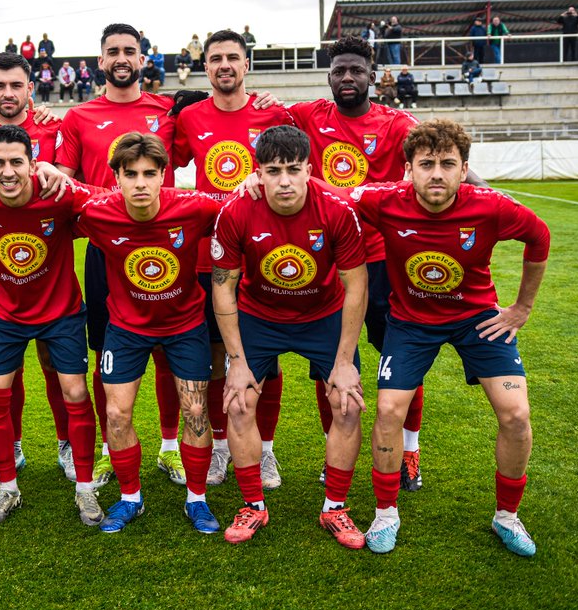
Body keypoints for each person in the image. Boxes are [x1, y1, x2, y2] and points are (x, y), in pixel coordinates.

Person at [351, 118, 550, 557]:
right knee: (387, 410)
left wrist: (521, 308)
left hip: (477, 319)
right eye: (426, 164)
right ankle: (385, 514)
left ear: (464, 169)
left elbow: (539, 237)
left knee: (516, 414)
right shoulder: (385, 200)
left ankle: (507, 517)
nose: (436, 173)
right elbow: (327, 194)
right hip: (411, 321)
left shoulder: (491, 205)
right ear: (409, 169)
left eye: (447, 164)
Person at [287, 34, 476, 491]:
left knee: (402, 361)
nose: (347, 78)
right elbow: (252, 120)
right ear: (329, 77)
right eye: (339, 71)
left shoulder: (396, 123)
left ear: (374, 76)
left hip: (383, 262)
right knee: (330, 364)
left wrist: (485, 192)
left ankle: (409, 452)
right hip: (329, 264)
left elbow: (442, 158)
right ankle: (334, 445)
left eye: (356, 71)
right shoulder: (309, 116)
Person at [212, 125, 367, 545]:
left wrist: (344, 360)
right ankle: (252, 506)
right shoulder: (237, 210)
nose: (284, 181)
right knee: (239, 401)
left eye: (293, 170)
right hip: (260, 317)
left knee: (347, 403)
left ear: (309, 170)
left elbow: (357, 285)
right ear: (257, 172)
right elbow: (223, 285)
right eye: (273, 170)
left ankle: (335, 508)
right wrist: (237, 362)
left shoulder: (335, 208)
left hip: (323, 314)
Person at [0, 124, 104, 527]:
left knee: (74, 391)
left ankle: (86, 489)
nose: (8, 172)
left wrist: (65, 179)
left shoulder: (57, 193)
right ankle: (8, 487)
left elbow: (109, 199)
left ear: (33, 165)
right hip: (5, 314)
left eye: (17, 162)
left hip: (62, 313)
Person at [55, 23, 183, 489]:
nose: (122, 57)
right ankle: (111, 449)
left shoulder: (167, 111)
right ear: (101, 59)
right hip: (105, 250)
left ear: (143, 58)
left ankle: (171, 448)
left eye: (130, 50)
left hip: (166, 246)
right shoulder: (78, 116)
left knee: (171, 350)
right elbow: (63, 182)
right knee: (105, 350)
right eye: (114, 51)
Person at [75, 132, 223, 534]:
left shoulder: (195, 208)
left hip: (185, 325)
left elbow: (241, 209)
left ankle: (197, 499)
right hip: (125, 327)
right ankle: (130, 498)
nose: (140, 183)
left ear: (164, 176)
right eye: (130, 174)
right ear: (117, 178)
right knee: (116, 414)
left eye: (149, 174)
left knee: (196, 412)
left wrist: (251, 185)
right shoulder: (97, 213)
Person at [172, 29, 293, 490]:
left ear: (247, 66)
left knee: (264, 360)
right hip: (207, 256)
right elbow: (165, 160)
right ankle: (221, 446)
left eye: (233, 58)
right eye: (215, 58)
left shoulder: (273, 113)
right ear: (205, 67)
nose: (224, 65)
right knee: (218, 355)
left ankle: (264, 452)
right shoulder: (190, 117)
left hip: (263, 254)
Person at [0, 53, 69, 481]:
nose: (8, 93)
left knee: (55, 362)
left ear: (30, 88)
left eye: (16, 86)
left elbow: (66, 182)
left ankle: (64, 443)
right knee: (7, 365)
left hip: (49, 266)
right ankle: (15, 444)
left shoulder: (53, 128)